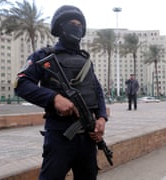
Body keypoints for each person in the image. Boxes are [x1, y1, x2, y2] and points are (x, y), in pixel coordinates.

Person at [14, 5, 108, 180]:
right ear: (60, 27)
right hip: (59, 136)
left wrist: (102, 118)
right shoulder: (43, 56)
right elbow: (21, 83)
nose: (76, 26)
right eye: (71, 23)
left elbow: (97, 90)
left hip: (88, 137)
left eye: (79, 24)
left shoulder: (85, 60)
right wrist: (53, 98)